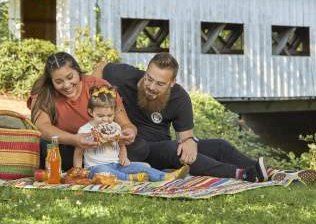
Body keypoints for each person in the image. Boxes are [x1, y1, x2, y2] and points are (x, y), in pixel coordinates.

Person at [99, 53, 271, 182]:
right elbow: (101, 68)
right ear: (146, 71)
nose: (151, 87)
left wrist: (190, 141)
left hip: (161, 147)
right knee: (173, 149)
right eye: (149, 79)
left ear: (172, 83)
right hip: (134, 148)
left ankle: (265, 171)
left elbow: (186, 138)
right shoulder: (123, 75)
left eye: (160, 84)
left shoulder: (179, 98)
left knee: (219, 145)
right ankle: (242, 174)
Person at [28, 52, 137, 171]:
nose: (67, 85)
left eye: (70, 77)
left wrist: (129, 132)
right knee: (45, 146)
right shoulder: (43, 93)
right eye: (59, 82)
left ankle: (105, 166)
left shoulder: (98, 86)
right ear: (51, 81)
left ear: (78, 71)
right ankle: (95, 168)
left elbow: (125, 123)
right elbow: (42, 127)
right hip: (67, 147)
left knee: (139, 147)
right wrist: (74, 140)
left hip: (103, 147)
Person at [73, 86, 189, 182]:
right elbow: (78, 152)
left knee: (140, 167)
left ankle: (167, 176)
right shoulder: (85, 130)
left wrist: (123, 156)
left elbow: (121, 144)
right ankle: (129, 179)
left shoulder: (115, 127)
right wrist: (78, 171)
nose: (105, 120)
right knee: (103, 171)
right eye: (100, 116)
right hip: (95, 167)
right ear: (90, 112)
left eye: (109, 116)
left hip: (117, 164)